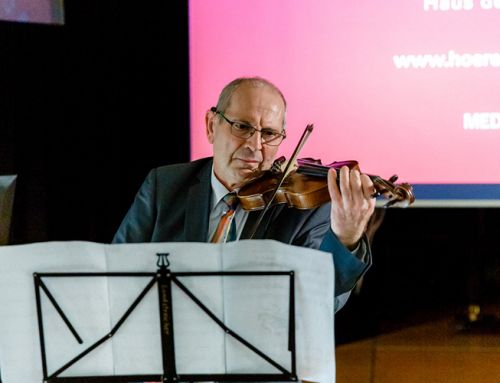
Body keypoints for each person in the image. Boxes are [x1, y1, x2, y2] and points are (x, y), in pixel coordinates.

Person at [112, 76, 376, 311]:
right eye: (242, 127)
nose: (255, 145)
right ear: (211, 125)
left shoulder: (305, 208)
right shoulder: (164, 186)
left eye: (270, 133)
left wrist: (345, 238)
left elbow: (320, 300)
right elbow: (115, 274)